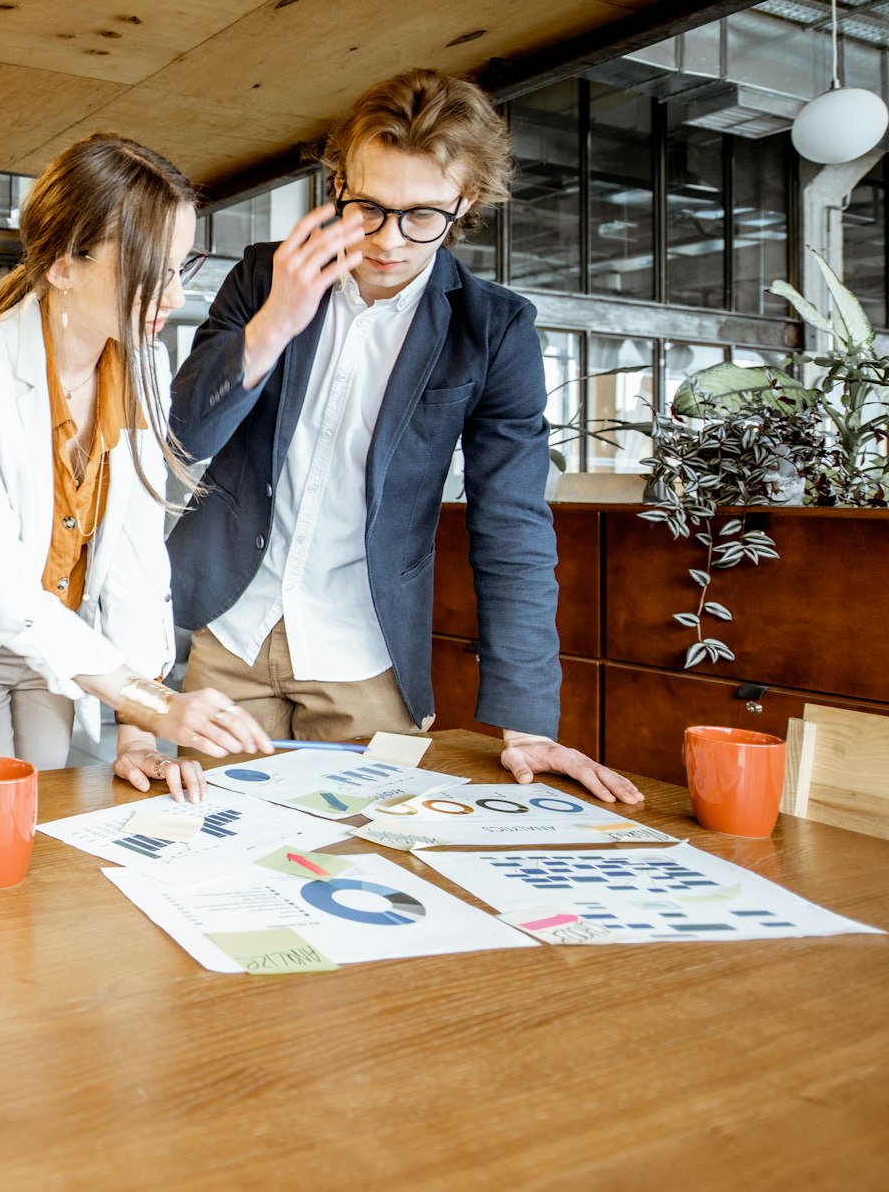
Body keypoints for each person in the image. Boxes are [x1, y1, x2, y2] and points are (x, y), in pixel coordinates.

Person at [168, 69, 641, 804]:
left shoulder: (493, 329)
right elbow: (185, 431)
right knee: (207, 852)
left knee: (362, 869)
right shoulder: (266, 275)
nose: (389, 240)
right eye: (370, 209)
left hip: (365, 652)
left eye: (422, 215)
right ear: (338, 184)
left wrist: (526, 717)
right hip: (231, 630)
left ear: (466, 203)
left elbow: (511, 520)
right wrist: (276, 321)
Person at [0, 133, 274, 800]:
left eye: (179, 266)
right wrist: (156, 704)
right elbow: (3, 588)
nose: (171, 295)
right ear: (63, 264)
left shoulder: (145, 366)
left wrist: (140, 730)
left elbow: (139, 561)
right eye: (150, 267)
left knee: (48, 818)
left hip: (60, 655)